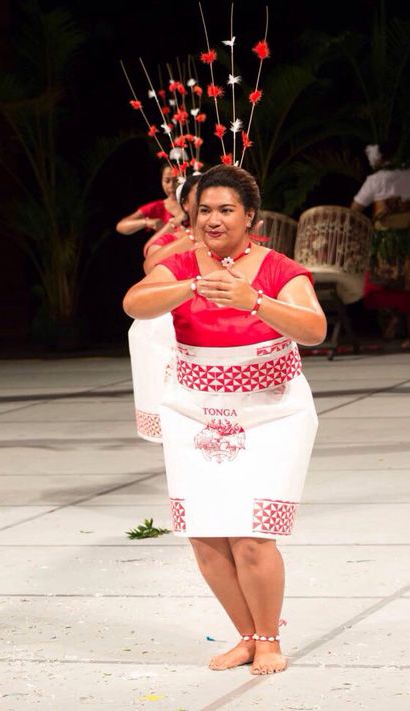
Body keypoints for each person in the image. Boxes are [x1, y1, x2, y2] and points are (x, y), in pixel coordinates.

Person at [123, 165, 326, 675]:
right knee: (207, 535)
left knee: (253, 534)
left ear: (250, 215)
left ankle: (271, 639)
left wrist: (253, 300)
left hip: (272, 412)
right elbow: (135, 302)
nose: (214, 219)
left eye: (226, 209)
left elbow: (315, 330)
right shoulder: (182, 264)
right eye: (205, 210)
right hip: (196, 413)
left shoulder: (279, 267)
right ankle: (248, 637)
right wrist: (192, 285)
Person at [128, 174, 202, 442]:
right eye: (201, 202)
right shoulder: (175, 236)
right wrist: (189, 239)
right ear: (186, 205)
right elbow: (150, 265)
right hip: (177, 311)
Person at [351, 141, 410, 349]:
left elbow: (353, 211)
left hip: (385, 244)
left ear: (378, 159)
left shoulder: (376, 180)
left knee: (379, 285)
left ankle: (392, 318)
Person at [116, 164, 186, 242]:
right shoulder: (157, 207)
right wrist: (146, 222)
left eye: (176, 180)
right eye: (167, 181)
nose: (171, 186)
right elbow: (121, 226)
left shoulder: (194, 201)